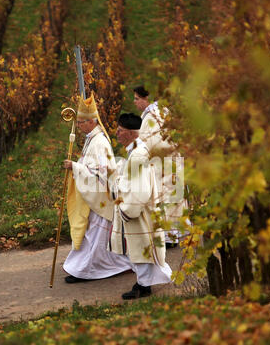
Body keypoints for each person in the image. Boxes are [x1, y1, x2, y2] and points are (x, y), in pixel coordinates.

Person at [62, 93, 132, 283]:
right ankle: (97, 266)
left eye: (81, 122)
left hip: (101, 198)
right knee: (93, 235)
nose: (78, 125)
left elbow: (100, 173)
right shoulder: (91, 138)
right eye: (78, 122)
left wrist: (74, 167)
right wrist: (77, 166)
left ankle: (89, 270)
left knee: (95, 237)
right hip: (96, 197)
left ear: (92, 122)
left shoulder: (99, 142)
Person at [108, 113, 172, 299]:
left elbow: (141, 190)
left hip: (139, 211)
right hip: (140, 208)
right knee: (139, 247)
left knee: (140, 246)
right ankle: (145, 282)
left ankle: (144, 286)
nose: (117, 134)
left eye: (120, 131)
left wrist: (128, 210)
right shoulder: (137, 151)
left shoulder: (137, 155)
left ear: (131, 133)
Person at [133, 86, 190, 248]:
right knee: (172, 198)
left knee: (164, 199)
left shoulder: (153, 116)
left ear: (146, 99)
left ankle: (169, 237)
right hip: (170, 163)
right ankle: (173, 234)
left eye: (137, 99)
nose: (134, 102)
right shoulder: (163, 111)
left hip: (162, 165)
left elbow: (153, 142)